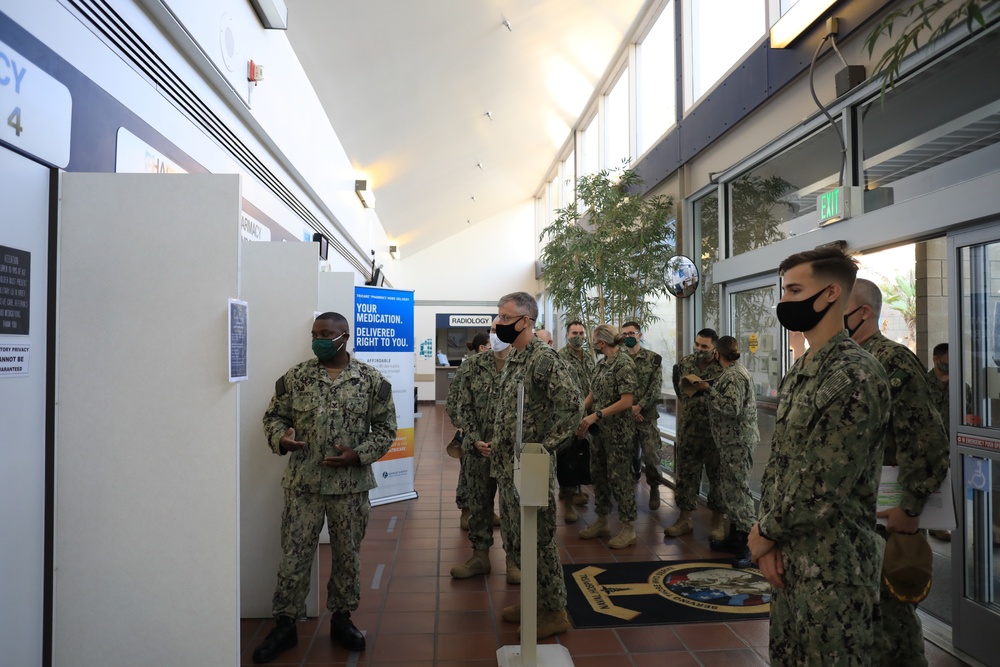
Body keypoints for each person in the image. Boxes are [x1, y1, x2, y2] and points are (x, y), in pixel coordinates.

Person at [749, 246, 890, 666]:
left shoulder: (854, 374)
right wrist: (769, 538)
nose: (784, 301)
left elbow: (822, 484)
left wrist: (765, 532)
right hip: (792, 562)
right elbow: (780, 465)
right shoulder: (806, 367)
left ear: (831, 294)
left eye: (794, 290)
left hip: (835, 571)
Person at [253, 312, 396, 663]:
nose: (319, 339)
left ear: (344, 336)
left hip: (350, 488)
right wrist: (281, 439)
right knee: (294, 556)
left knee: (347, 557)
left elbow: (386, 429)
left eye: (326, 333)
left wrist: (358, 455)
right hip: (304, 486)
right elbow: (274, 418)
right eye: (315, 333)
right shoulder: (296, 377)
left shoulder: (370, 380)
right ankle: (285, 623)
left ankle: (342, 619)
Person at [845, 278, 950, 667]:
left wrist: (911, 508)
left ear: (863, 313)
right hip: (854, 519)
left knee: (891, 624)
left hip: (886, 519)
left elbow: (928, 442)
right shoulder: (844, 360)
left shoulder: (893, 361)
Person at [489, 292, 583, 639]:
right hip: (507, 466)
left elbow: (572, 407)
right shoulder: (515, 359)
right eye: (498, 316)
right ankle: (534, 602)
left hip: (530, 468)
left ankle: (555, 609)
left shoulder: (544, 360)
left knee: (539, 541)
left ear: (525, 321)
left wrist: (542, 449)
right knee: (516, 541)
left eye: (505, 317)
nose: (498, 323)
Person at [449, 326, 518, 583]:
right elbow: (457, 403)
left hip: (511, 452)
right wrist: (474, 438)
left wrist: (506, 440)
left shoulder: (523, 363)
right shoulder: (473, 366)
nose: (496, 336)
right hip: (477, 450)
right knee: (478, 505)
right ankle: (480, 557)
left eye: (501, 330)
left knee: (512, 508)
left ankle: (514, 561)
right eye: (492, 331)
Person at [694, 336, 757, 567]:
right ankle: (736, 538)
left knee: (739, 493)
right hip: (730, 443)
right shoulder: (732, 373)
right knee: (730, 492)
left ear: (716, 354)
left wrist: (708, 390)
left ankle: (751, 546)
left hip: (737, 443)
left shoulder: (734, 376)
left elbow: (732, 407)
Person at [576, 324, 639, 548]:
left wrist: (597, 415)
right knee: (599, 475)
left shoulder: (623, 364)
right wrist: (580, 413)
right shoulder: (601, 365)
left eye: (593, 339)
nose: (591, 342)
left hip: (618, 434)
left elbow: (627, 401)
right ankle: (601, 520)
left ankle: (628, 527)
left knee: (620, 478)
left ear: (601, 342)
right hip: (599, 433)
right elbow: (593, 394)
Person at [666, 328, 726, 540]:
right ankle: (684, 519)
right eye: (697, 345)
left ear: (714, 348)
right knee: (686, 475)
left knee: (717, 477)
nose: (699, 350)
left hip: (714, 432)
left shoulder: (724, 367)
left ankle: (717, 521)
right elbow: (679, 387)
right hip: (689, 429)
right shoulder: (685, 363)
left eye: (704, 347)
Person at [445, 333, 490, 531]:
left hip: (493, 434)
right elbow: (453, 401)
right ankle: (466, 512)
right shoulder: (468, 367)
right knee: (468, 475)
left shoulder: (503, 366)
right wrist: (462, 425)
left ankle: (488, 512)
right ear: (482, 347)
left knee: (491, 477)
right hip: (472, 433)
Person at [621, 321, 666, 510]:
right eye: (624, 334)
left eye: (631, 333)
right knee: (627, 456)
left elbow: (655, 387)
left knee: (651, 455)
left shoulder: (653, 359)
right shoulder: (619, 359)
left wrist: (640, 407)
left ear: (640, 335)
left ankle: (654, 487)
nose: (628, 337)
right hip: (624, 416)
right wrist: (630, 410)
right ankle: (628, 491)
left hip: (646, 416)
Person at [557, 320, 596, 522]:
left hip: (589, 413)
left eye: (581, 332)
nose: (578, 336)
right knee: (568, 457)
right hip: (569, 414)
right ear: (567, 334)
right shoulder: (560, 357)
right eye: (574, 332)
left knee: (582, 454)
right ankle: (569, 503)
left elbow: (593, 383)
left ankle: (576, 490)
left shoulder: (589, 357)